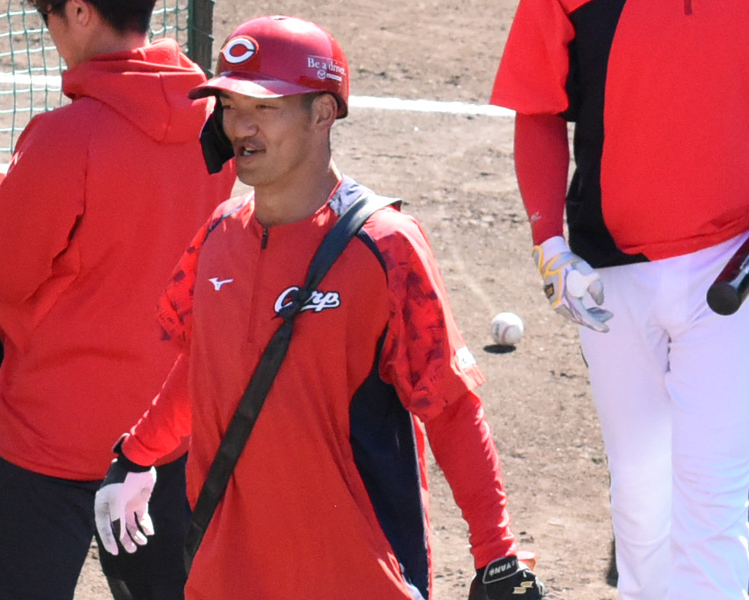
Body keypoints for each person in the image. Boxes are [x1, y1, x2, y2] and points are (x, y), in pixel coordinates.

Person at [93, 15, 546, 600]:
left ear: (324, 113)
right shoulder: (218, 235)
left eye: (265, 107)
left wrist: (496, 555)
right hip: (225, 580)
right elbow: (207, 368)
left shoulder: (385, 246)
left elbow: (451, 407)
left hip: (356, 580)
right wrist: (135, 455)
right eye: (230, 105)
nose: (241, 127)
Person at [0, 0, 235, 598]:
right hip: (167, 429)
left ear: (78, 11)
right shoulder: (217, 118)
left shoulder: (70, 135)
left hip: (53, 439)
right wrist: (23, 185)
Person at [491, 2, 749, 599]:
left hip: (737, 268)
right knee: (640, 501)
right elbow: (537, 108)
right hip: (611, 267)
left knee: (710, 500)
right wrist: (549, 246)